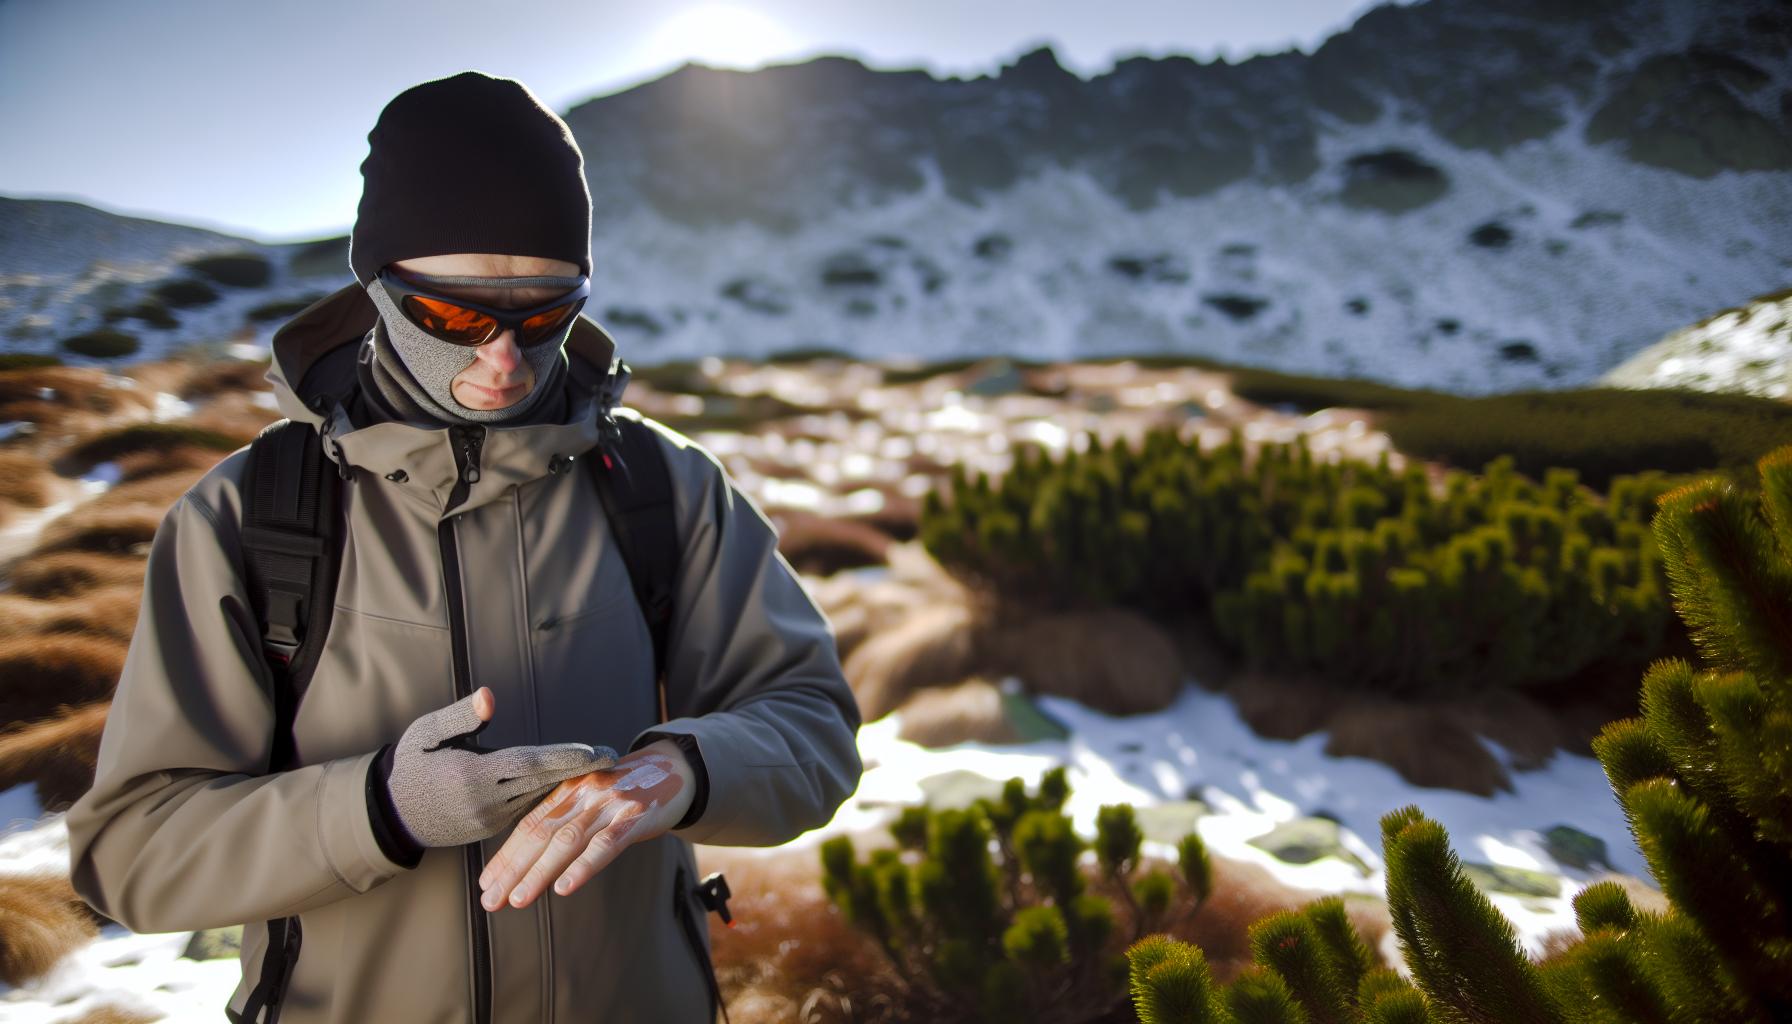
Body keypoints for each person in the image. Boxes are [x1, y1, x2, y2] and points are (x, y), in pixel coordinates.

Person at [64, 70, 864, 1024]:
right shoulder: (249, 516)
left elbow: (814, 725)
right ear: (377, 286)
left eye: (546, 314)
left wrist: (684, 771)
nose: (504, 358)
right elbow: (133, 854)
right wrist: (381, 810)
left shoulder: (666, 486)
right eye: (452, 317)